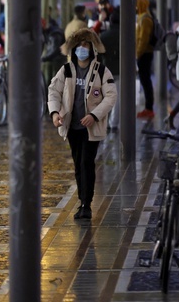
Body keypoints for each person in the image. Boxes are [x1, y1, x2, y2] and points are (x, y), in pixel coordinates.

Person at [47, 28, 117, 219]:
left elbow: (111, 96)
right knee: (78, 164)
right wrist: (55, 113)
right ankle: (82, 201)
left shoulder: (101, 71)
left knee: (87, 162)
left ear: (92, 48)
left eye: (86, 45)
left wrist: (94, 115)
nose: (82, 49)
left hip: (91, 128)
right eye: (79, 45)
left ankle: (86, 203)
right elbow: (54, 90)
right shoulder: (67, 69)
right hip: (72, 127)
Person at [100, 9, 120, 131]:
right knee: (117, 98)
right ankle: (114, 123)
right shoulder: (125, 34)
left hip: (107, 68)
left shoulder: (104, 36)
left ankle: (105, 122)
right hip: (120, 69)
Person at [135, 0, 155, 119]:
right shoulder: (142, 17)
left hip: (144, 54)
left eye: (137, 5)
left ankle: (149, 108)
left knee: (146, 81)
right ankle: (148, 108)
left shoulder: (145, 19)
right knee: (145, 80)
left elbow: (143, 39)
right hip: (144, 53)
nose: (135, 7)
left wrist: (138, 53)